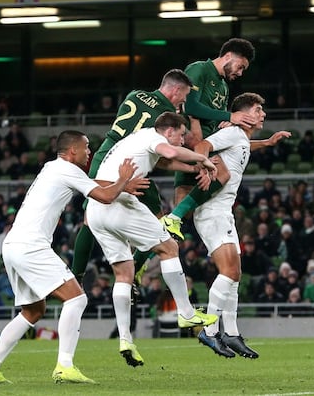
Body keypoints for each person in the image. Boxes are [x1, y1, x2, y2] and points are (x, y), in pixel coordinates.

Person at [0, 130, 145, 384]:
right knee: (77, 299)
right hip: (31, 245)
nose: (89, 152)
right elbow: (106, 197)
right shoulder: (67, 169)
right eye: (86, 147)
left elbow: (91, 184)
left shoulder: (52, 167)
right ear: (72, 151)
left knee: (33, 311)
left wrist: (122, 185)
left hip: (13, 245)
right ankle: (64, 365)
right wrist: (122, 180)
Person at [86, 112, 219, 367]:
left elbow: (164, 163)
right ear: (168, 132)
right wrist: (203, 158)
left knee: (124, 273)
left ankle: (125, 338)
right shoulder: (153, 137)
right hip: (117, 203)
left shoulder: (139, 140)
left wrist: (192, 167)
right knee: (169, 247)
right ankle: (186, 313)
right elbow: (168, 154)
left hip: (96, 209)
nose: (182, 141)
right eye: (181, 135)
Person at [70, 69, 193, 281]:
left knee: (90, 220)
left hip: (103, 157)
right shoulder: (167, 118)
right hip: (128, 165)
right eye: (184, 95)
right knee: (160, 221)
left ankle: (76, 277)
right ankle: (138, 265)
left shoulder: (134, 94)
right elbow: (163, 159)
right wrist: (195, 165)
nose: (184, 101)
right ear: (176, 90)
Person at [191, 93, 288, 359]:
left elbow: (242, 146)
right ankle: (209, 331)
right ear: (244, 114)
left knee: (235, 275)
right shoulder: (233, 132)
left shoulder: (240, 137)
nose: (263, 114)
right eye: (258, 110)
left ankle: (231, 333)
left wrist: (266, 143)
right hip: (212, 211)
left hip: (224, 212)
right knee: (229, 271)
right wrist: (205, 167)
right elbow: (202, 145)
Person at [166, 38, 257, 237]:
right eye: (240, 66)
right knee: (223, 174)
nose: (240, 73)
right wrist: (229, 116)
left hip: (206, 139)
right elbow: (190, 106)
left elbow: (214, 115)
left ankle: (149, 250)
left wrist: (225, 123)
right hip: (191, 138)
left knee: (183, 207)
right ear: (228, 56)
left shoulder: (223, 86)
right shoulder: (199, 69)